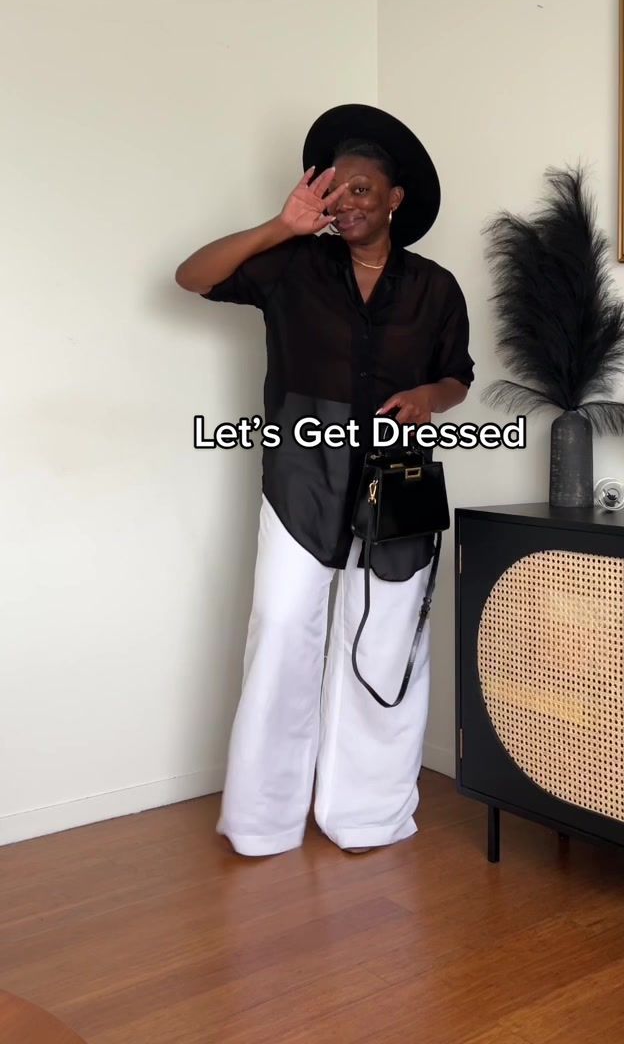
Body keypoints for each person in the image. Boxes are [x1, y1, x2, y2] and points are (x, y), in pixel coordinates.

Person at [175, 103, 474, 856]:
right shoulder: (292, 266)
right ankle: (263, 820)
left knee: (385, 637)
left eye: (361, 189)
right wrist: (282, 225)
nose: (346, 204)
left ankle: (366, 813)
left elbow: (458, 377)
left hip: (398, 476)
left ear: (395, 198)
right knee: (282, 627)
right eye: (335, 191)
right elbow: (191, 276)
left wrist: (430, 397)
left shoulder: (435, 287)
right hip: (302, 471)